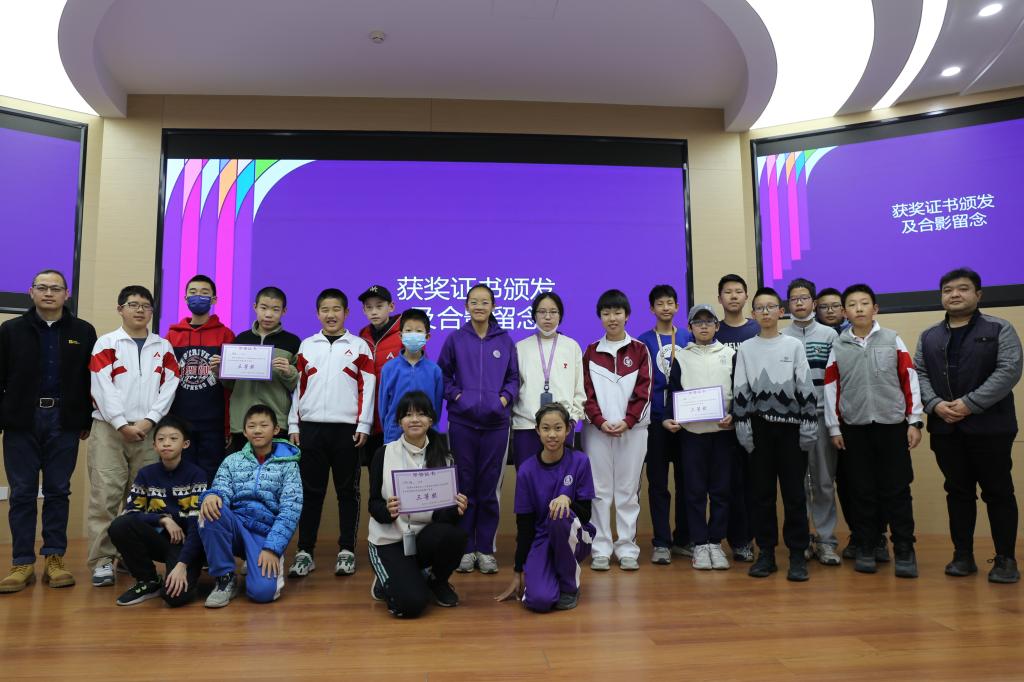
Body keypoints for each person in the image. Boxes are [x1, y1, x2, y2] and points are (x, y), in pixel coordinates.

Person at [915, 268, 1021, 584]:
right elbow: (919, 373)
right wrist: (935, 404)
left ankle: (1005, 559)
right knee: (958, 492)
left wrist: (969, 404)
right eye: (948, 290)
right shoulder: (929, 335)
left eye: (962, 288)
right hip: (945, 428)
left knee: (998, 492)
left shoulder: (999, 328)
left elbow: (1009, 371)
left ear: (978, 294)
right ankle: (962, 556)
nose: (955, 295)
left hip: (991, 427)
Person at [0, 270, 97, 593]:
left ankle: (55, 558)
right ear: (31, 292)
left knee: (58, 491)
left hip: (63, 421)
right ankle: (22, 562)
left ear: (66, 294)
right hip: (21, 421)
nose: (49, 293)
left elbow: (90, 380)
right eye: (42, 288)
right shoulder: (11, 330)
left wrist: (84, 419)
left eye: (56, 288)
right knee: (22, 492)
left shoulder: (83, 331)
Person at [824, 283, 923, 579]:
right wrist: (834, 426)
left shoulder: (893, 339)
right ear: (845, 312)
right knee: (861, 491)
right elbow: (831, 388)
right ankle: (867, 545)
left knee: (897, 490)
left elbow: (909, 378)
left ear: (875, 308)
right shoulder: (839, 345)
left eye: (864, 303)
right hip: (854, 428)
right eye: (852, 304)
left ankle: (904, 548)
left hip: (892, 426)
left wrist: (914, 420)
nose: (859, 308)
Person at [86, 285, 179, 588]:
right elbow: (102, 386)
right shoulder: (106, 343)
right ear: (120, 309)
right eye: (133, 304)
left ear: (152, 311)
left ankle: (131, 554)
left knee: (142, 498)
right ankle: (102, 560)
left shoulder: (163, 346)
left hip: (148, 432)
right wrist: (120, 423)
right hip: (110, 431)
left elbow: (170, 386)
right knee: (106, 496)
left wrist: (149, 420)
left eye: (146, 306)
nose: (140, 310)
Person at [287, 288, 375, 578]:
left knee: (347, 492)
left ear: (346, 313)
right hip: (311, 429)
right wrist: (294, 424)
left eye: (336, 309)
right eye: (325, 309)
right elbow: (297, 389)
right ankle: (305, 552)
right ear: (317, 314)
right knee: (311, 493)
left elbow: (368, 387)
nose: (331, 314)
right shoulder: (307, 346)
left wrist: (363, 424)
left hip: (346, 430)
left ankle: (346, 550)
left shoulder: (360, 346)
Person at [733, 287, 816, 581]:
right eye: (760, 307)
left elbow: (805, 384)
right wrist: (742, 425)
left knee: (794, 494)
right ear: (753, 313)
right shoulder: (746, 349)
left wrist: (809, 422)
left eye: (771, 307)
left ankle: (797, 555)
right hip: (759, 431)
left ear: (781, 312)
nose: (765, 312)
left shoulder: (793, 346)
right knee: (762, 495)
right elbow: (740, 389)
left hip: (791, 430)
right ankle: (766, 553)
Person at [438, 284, 519, 575]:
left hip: (496, 425)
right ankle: (465, 548)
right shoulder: (456, 339)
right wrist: (459, 397)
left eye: (485, 302)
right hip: (462, 423)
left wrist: (502, 400)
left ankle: (484, 549)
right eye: (474, 302)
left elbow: (513, 379)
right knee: (464, 485)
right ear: (466, 306)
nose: (479, 307)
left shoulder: (505, 340)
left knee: (488, 488)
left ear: (493, 306)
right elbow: (443, 376)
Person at [367, 391, 468, 617]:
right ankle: (386, 579)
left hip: (423, 537)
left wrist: (456, 508)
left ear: (431, 420)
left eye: (421, 414)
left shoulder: (444, 456)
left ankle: (436, 581)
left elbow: (443, 518)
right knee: (411, 605)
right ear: (399, 421)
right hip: (390, 539)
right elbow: (373, 504)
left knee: (455, 536)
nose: (414, 419)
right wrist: (387, 510)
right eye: (408, 414)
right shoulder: (384, 454)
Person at [197, 404, 303, 607]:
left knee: (262, 593)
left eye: (264, 425)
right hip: (236, 525)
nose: (257, 430)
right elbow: (221, 489)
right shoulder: (232, 460)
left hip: (264, 533)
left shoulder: (289, 465)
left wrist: (273, 548)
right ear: (245, 432)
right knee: (209, 510)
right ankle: (225, 578)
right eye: (252, 426)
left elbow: (291, 509)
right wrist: (211, 495)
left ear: (276, 429)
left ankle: (263, 559)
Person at [496, 403, 595, 612]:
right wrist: (518, 570)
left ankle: (569, 586)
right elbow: (525, 525)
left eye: (558, 428)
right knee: (539, 601)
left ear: (568, 430)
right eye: (546, 428)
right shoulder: (526, 470)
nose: (552, 435)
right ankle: (552, 574)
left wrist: (568, 501)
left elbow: (586, 515)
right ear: (537, 431)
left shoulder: (580, 461)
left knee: (559, 515)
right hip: (542, 538)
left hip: (576, 535)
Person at [582, 289, 651, 572]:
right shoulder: (590, 351)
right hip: (596, 432)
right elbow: (585, 393)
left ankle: (626, 548)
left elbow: (645, 391)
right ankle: (600, 548)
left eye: (617, 312)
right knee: (599, 491)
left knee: (627, 490)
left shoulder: (639, 350)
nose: (612, 318)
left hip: (632, 432)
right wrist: (599, 421)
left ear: (627, 315)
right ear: (600, 317)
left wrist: (628, 421)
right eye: (606, 313)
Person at [107, 415, 207, 606]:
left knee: (174, 597)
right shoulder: (146, 474)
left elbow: (197, 525)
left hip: (188, 544)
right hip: (161, 539)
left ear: (185, 444)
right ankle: (148, 581)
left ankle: (186, 573)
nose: (166, 443)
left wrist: (182, 564)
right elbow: (131, 513)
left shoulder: (197, 475)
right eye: (161, 439)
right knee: (120, 525)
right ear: (154, 446)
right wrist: (163, 519)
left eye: (173, 439)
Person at [665, 304, 735, 571]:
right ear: (690, 328)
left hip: (723, 434)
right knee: (693, 493)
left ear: (717, 326)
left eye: (708, 322)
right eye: (698, 322)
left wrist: (735, 415)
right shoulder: (682, 357)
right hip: (692, 435)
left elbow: (740, 390)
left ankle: (715, 543)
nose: (703, 326)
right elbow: (673, 391)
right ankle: (700, 544)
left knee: (720, 492)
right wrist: (669, 418)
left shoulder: (729, 355)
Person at [781, 278, 841, 567]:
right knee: (797, 484)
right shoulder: (781, 336)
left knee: (824, 482)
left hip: (821, 417)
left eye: (804, 298)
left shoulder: (830, 335)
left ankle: (827, 541)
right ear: (788, 304)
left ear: (814, 303)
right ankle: (801, 540)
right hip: (791, 421)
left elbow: (836, 379)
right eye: (794, 299)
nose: (800, 303)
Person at [637, 285, 691, 565]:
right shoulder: (643, 341)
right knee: (658, 483)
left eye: (670, 303)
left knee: (687, 482)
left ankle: (683, 539)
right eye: (660, 303)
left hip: (686, 421)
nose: (666, 308)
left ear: (677, 307)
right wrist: (658, 417)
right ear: (652, 309)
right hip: (655, 422)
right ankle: (661, 542)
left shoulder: (688, 337)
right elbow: (640, 384)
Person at [166, 274, 235, 481]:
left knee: (210, 477)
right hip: (179, 421)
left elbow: (231, 385)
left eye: (204, 293)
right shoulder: (172, 336)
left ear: (214, 299)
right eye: (193, 292)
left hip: (213, 423)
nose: (198, 297)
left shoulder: (226, 335)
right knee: (180, 476)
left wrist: (228, 426)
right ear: (185, 298)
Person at [714, 274, 759, 563]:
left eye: (738, 291)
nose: (733, 296)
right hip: (721, 421)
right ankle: (734, 540)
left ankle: (752, 538)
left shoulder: (757, 329)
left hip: (754, 419)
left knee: (753, 484)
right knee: (728, 484)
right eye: (727, 292)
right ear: (719, 298)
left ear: (746, 296)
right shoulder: (712, 331)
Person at [224, 286, 301, 455]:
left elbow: (297, 386)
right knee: (243, 469)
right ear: (255, 307)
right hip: (243, 422)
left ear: (284, 311)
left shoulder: (292, 342)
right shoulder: (240, 339)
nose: (268, 314)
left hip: (276, 422)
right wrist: (219, 371)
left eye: (275, 309)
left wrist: (288, 372)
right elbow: (230, 384)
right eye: (263, 308)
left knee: (275, 468)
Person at [511, 292, 585, 468]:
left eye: (553, 312)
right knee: (527, 477)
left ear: (560, 315)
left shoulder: (572, 346)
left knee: (561, 478)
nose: (547, 317)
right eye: (542, 312)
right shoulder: (521, 347)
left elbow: (579, 390)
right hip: (527, 426)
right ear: (534, 315)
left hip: (561, 427)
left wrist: (572, 420)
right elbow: (514, 387)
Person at [377, 308, 443, 445]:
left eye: (418, 331)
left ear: (427, 337)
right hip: (394, 436)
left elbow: (436, 408)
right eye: (408, 331)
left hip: (426, 438)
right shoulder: (389, 369)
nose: (413, 335)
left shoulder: (434, 371)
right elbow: (383, 408)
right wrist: (389, 430)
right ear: (400, 336)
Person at [358, 285, 403, 464]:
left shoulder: (404, 334)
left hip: (397, 418)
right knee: (375, 472)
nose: (374, 311)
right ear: (364, 310)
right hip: (370, 419)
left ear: (391, 307)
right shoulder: (362, 337)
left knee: (397, 472)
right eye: (369, 307)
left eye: (379, 306)